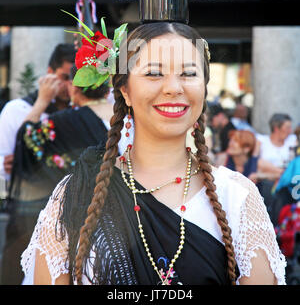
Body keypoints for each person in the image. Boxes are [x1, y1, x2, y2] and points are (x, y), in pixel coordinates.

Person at [21, 22, 286, 285]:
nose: (173, 88)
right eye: (154, 73)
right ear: (125, 91)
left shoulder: (236, 197)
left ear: (204, 88)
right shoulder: (76, 193)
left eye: (188, 74)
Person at [1, 65, 112, 285]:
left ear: (74, 88)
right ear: (107, 88)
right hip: (123, 217)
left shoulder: (60, 123)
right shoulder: (129, 120)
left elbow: (26, 139)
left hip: (72, 216)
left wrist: (41, 102)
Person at [0, 44, 76, 180]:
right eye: (64, 77)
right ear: (50, 72)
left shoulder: (82, 111)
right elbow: (3, 158)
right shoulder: (15, 109)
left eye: (75, 79)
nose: (70, 85)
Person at [216, 130, 283, 183]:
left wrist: (261, 176)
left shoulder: (258, 163)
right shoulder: (223, 159)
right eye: (231, 140)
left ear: (246, 149)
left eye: (235, 141)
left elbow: (283, 173)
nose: (230, 143)